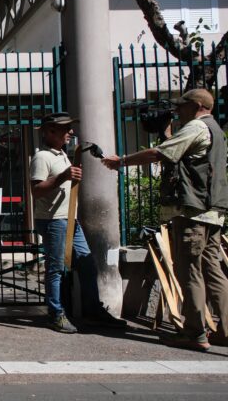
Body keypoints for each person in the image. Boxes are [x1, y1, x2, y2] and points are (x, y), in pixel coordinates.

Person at [102, 89, 228, 352]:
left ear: (197, 105)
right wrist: (168, 132)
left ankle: (194, 333)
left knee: (190, 272)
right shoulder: (216, 130)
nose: (177, 111)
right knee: (213, 271)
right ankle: (226, 330)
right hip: (213, 212)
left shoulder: (196, 127)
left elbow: (160, 154)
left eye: (182, 106)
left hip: (193, 212)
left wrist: (121, 161)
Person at [31, 112, 127, 333]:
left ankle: (93, 311)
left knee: (87, 264)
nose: (71, 132)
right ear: (50, 131)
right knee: (56, 269)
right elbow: (36, 190)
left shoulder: (63, 155)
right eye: (66, 128)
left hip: (69, 220)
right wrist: (62, 177)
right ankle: (55, 314)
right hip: (53, 221)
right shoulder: (42, 157)